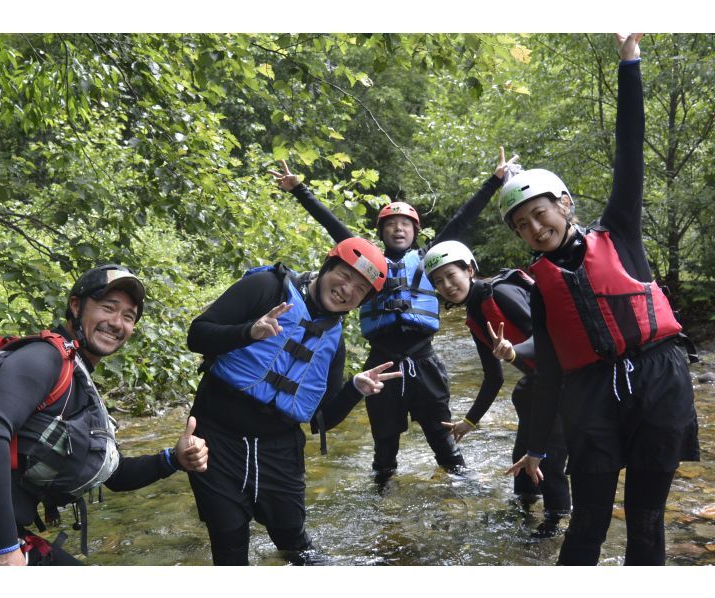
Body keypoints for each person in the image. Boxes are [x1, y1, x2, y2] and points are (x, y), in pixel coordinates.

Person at [504, 34, 700, 565]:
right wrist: (536, 446)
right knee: (587, 520)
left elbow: (629, 153)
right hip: (590, 395)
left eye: (540, 214)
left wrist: (629, 63)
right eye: (522, 225)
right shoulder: (541, 286)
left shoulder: (619, 233)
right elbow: (548, 373)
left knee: (646, 519)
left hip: (658, 379)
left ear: (564, 205)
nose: (534, 228)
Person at [0, 264, 208, 566]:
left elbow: (114, 475)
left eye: (128, 316)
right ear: (75, 306)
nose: (117, 323)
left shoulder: (77, 377)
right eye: (108, 308)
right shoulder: (43, 359)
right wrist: (4, 548)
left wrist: (173, 460)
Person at [270, 149, 517, 480]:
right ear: (381, 232)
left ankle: (463, 489)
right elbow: (333, 226)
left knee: (443, 441)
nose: (398, 229)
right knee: (384, 450)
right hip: (381, 362)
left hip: (424, 360)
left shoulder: (429, 260)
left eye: (405, 224)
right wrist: (299, 189)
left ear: (415, 231)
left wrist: (494, 182)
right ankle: (383, 501)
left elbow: (462, 219)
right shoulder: (367, 266)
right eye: (391, 224)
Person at [185, 238, 402, 565]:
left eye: (360, 289)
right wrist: (248, 332)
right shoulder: (266, 288)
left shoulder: (334, 343)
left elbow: (321, 419)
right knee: (229, 539)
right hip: (217, 436)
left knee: (294, 541)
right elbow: (197, 335)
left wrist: (355, 389)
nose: (347, 290)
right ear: (328, 266)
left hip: (279, 447)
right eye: (344, 276)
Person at [422, 240, 570, 537]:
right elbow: (494, 377)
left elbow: (550, 336)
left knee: (548, 462)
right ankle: (524, 512)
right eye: (438, 281)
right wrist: (470, 421)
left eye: (451, 275)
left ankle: (555, 527)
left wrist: (515, 350)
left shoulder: (500, 293)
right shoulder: (475, 314)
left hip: (567, 383)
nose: (447, 285)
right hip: (538, 384)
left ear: (469, 269)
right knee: (522, 459)